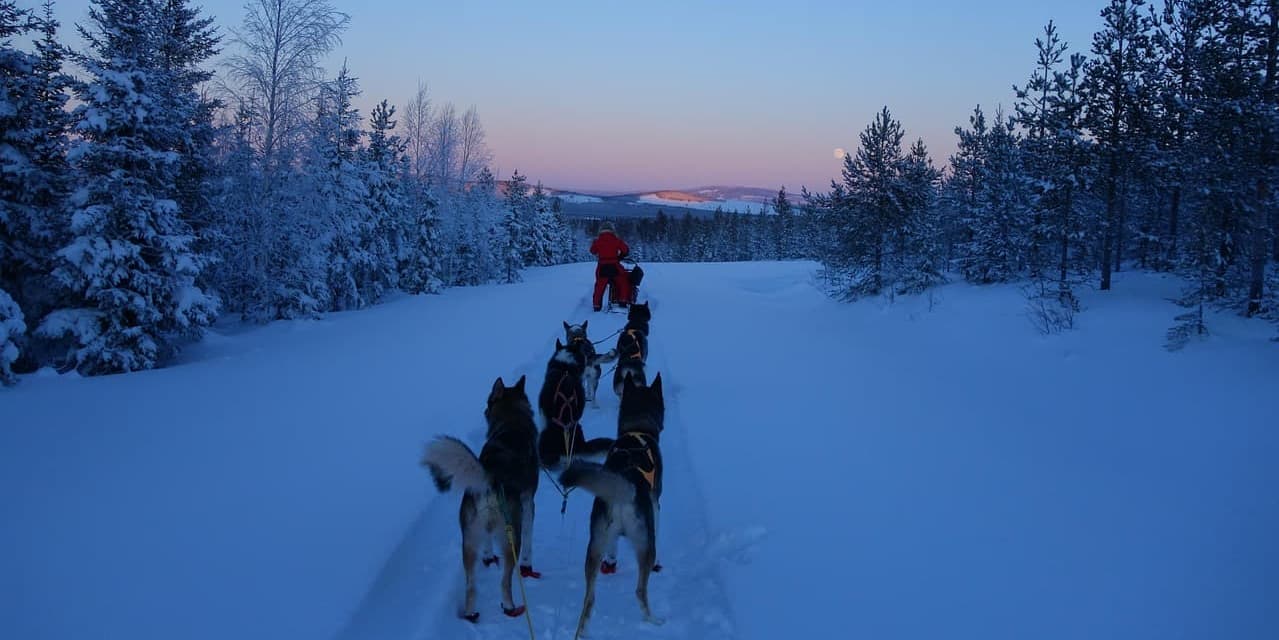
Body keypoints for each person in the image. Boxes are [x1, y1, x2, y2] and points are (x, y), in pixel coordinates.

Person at [589, 221, 630, 312]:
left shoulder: (597, 241)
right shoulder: (616, 240)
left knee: (599, 286)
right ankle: (623, 301)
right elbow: (626, 250)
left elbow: (592, 251)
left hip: (602, 266)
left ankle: (596, 305)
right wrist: (620, 257)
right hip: (615, 266)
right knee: (623, 282)